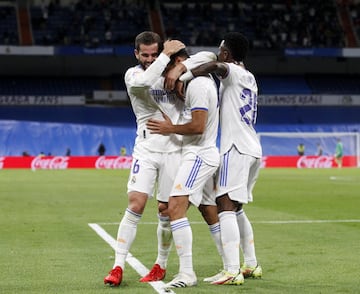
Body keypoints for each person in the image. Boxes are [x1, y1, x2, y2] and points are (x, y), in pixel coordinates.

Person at [166, 32, 263, 285]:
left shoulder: (230, 70)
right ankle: (251, 263)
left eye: (221, 50)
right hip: (253, 147)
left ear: (228, 55)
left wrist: (184, 74)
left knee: (225, 206)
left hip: (236, 147)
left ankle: (232, 270)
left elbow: (215, 65)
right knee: (237, 208)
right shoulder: (250, 77)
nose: (218, 53)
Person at [103, 31, 186, 287]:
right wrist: (166, 57)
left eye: (154, 53)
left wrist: (180, 64)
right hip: (147, 147)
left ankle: (160, 264)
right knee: (136, 203)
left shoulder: (173, 69)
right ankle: (117, 266)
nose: (150, 59)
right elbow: (145, 82)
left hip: (174, 148)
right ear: (136, 54)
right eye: (145, 54)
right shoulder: (133, 75)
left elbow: (206, 57)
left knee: (166, 210)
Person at [146, 48, 220, 289]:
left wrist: (169, 129)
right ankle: (233, 266)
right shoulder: (197, 80)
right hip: (202, 153)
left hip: (198, 154)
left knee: (174, 207)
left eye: (168, 66)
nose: (166, 73)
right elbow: (207, 57)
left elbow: (198, 126)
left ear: (180, 62)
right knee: (209, 210)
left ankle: (187, 273)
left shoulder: (197, 85)